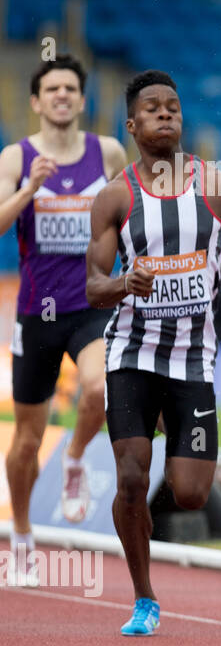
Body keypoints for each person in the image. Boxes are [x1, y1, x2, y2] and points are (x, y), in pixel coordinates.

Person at [86, 70, 221, 635]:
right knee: (132, 480)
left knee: (190, 494)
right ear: (132, 125)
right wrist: (124, 285)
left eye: (174, 107)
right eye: (153, 109)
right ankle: (144, 596)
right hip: (131, 356)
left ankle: (167, 419)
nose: (166, 115)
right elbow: (92, 286)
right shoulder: (116, 196)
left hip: (194, 360)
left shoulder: (218, 187)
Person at [0, 54, 127, 584]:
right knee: (26, 441)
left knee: (97, 390)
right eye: (52, 88)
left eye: (71, 88)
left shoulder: (108, 152)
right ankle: (23, 534)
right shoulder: (16, 155)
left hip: (91, 304)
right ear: (36, 100)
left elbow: (133, 213)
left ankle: (75, 458)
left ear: (82, 98)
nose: (62, 96)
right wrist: (29, 188)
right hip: (35, 312)